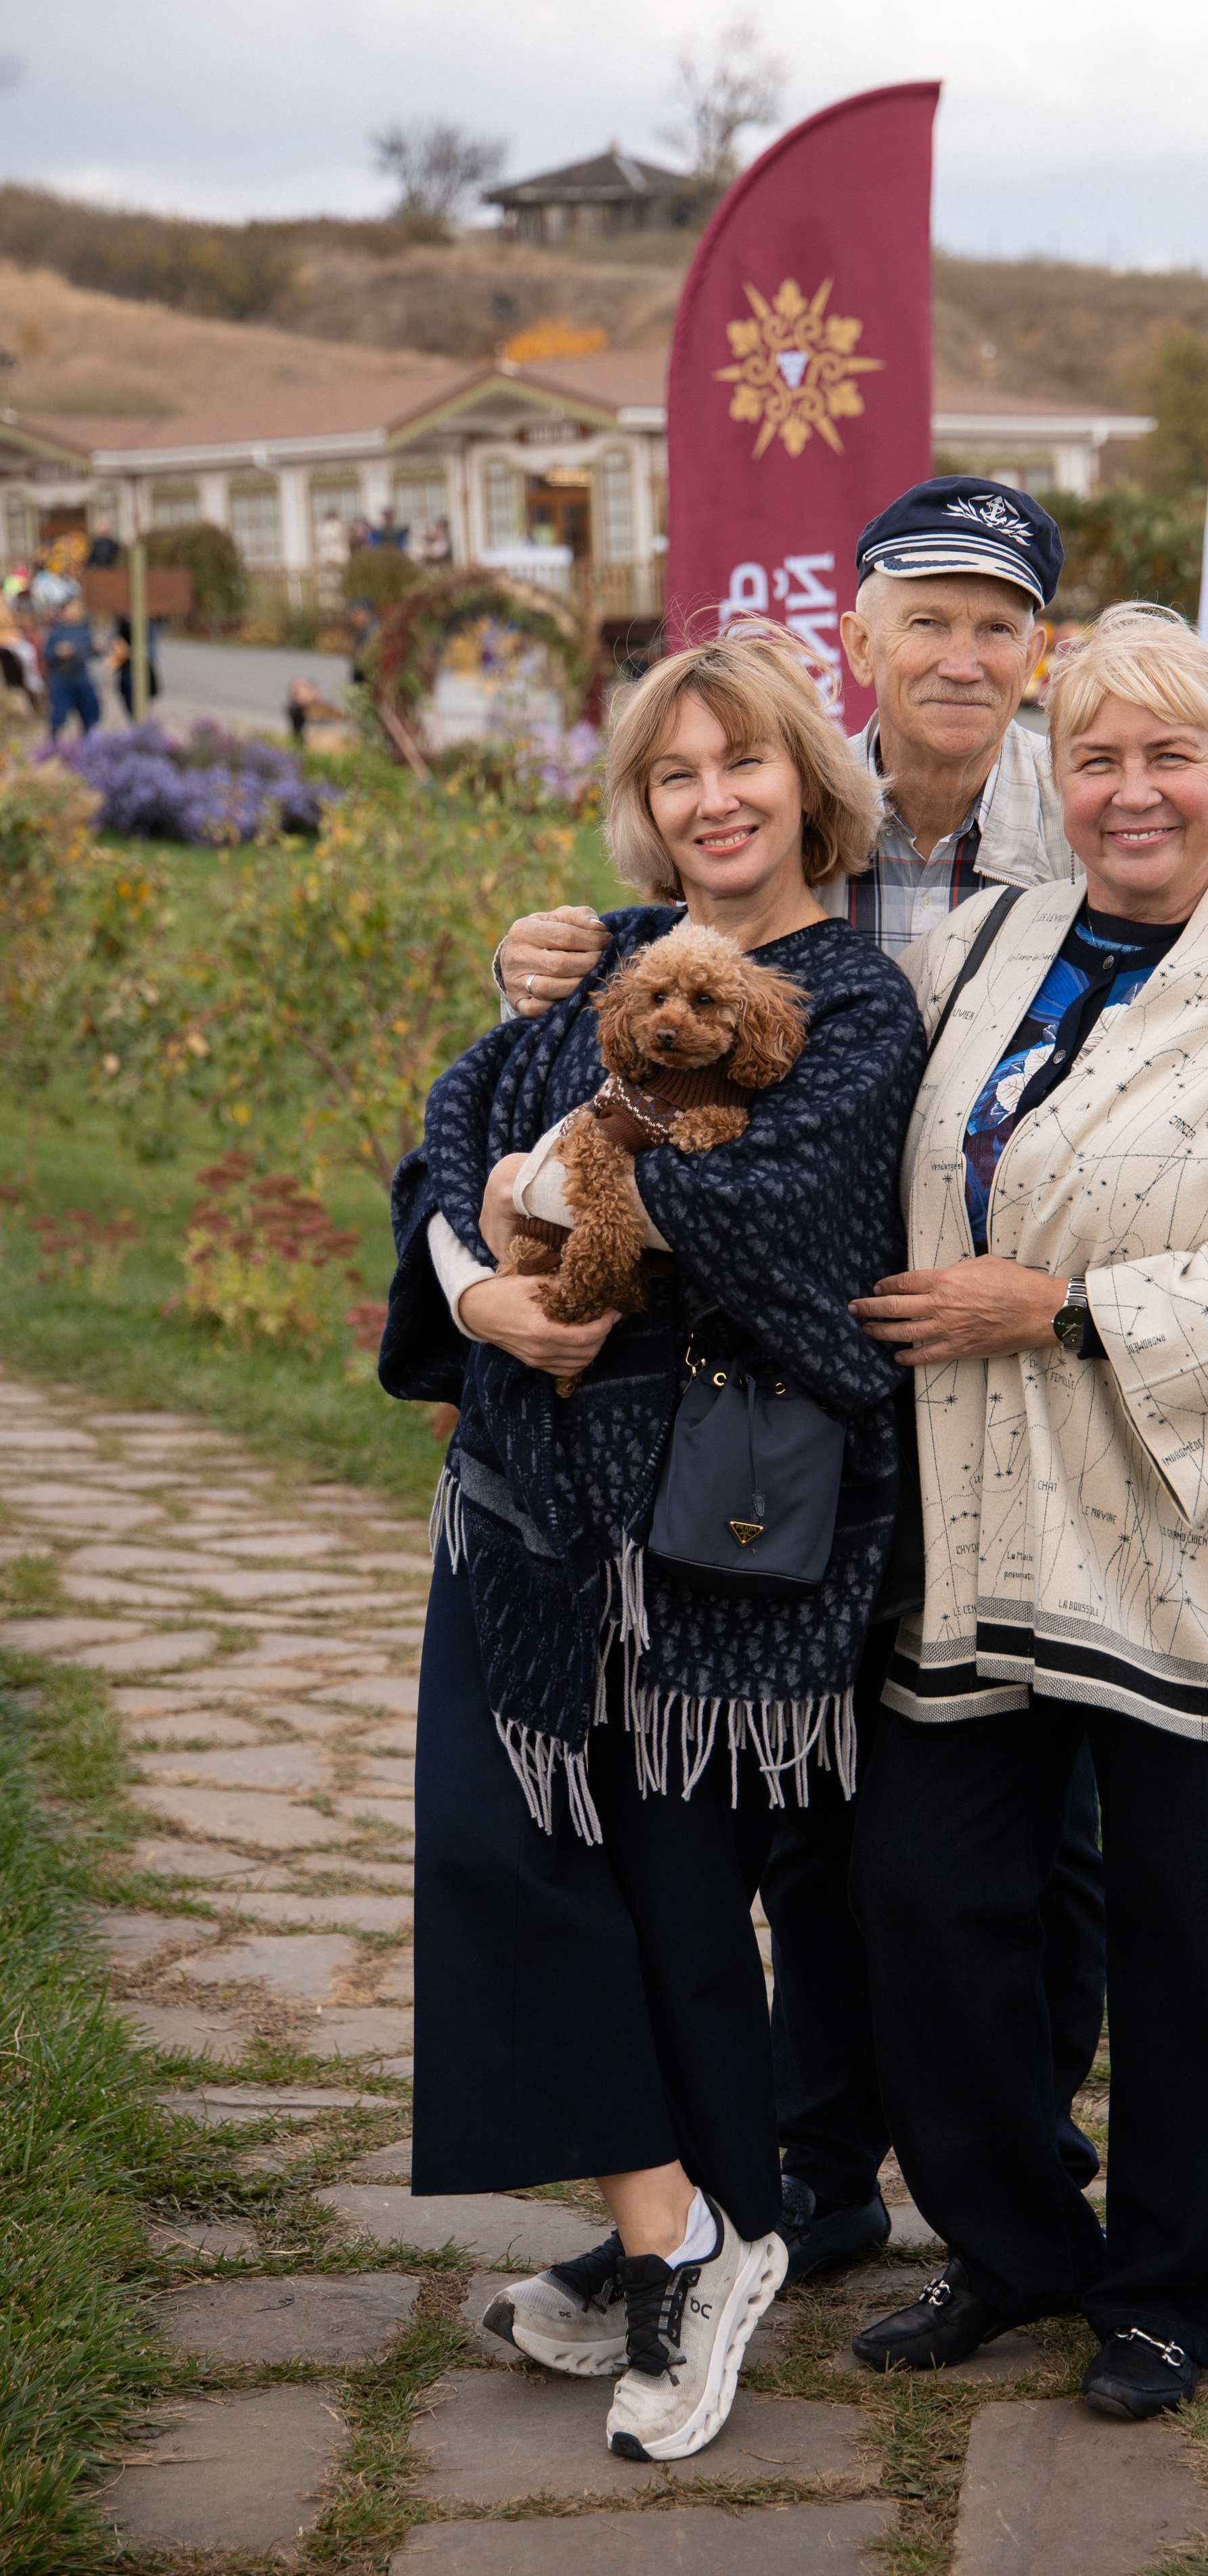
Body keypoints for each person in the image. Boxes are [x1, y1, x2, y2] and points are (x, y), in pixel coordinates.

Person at [485, 478, 1208, 2287]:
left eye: (998, 625)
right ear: (864, 631)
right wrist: (567, 949)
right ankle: (851, 2179)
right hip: (862, 1424)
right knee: (863, 1848)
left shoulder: (1096, 813)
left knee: (1089, 1871)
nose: (963, 654)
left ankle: (1087, 2222)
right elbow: (720, 964)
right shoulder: (821, 801)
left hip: (1092, 1450)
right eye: (928, 617)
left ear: (1037, 658)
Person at [843, 603, 1208, 2419]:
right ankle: (1012, 2247)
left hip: (1182, 1538)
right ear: (1053, 776)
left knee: (1192, 1940)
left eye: (1174, 755)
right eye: (1098, 756)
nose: (1134, 790)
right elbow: (833, 1073)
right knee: (927, 1908)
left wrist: (1062, 1310)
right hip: (978, 1524)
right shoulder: (989, 940)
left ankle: (1170, 2293)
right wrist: (586, 958)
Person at [378, 628, 926, 2462]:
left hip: (714, 1539)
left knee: (681, 1912)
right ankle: (681, 2225)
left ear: (809, 787)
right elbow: (445, 1134)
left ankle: (691, 2250)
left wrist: (558, 1185)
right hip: (533, 1512)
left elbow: (774, 1213)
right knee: (504, 1852)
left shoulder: (853, 1005)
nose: (713, 801)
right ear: (644, 804)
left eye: (744, 765)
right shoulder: (604, 961)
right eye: (676, 775)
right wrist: (475, 1290)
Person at [43, 596, 102, 735]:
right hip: (62, 679)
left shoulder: (83, 630)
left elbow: (90, 652)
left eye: (78, 608)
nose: (75, 611)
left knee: (90, 711)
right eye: (72, 608)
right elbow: (46, 654)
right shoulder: (56, 631)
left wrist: (96, 648)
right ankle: (53, 742)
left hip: (81, 677)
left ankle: (88, 742)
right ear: (63, 611)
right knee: (59, 714)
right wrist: (58, 651)